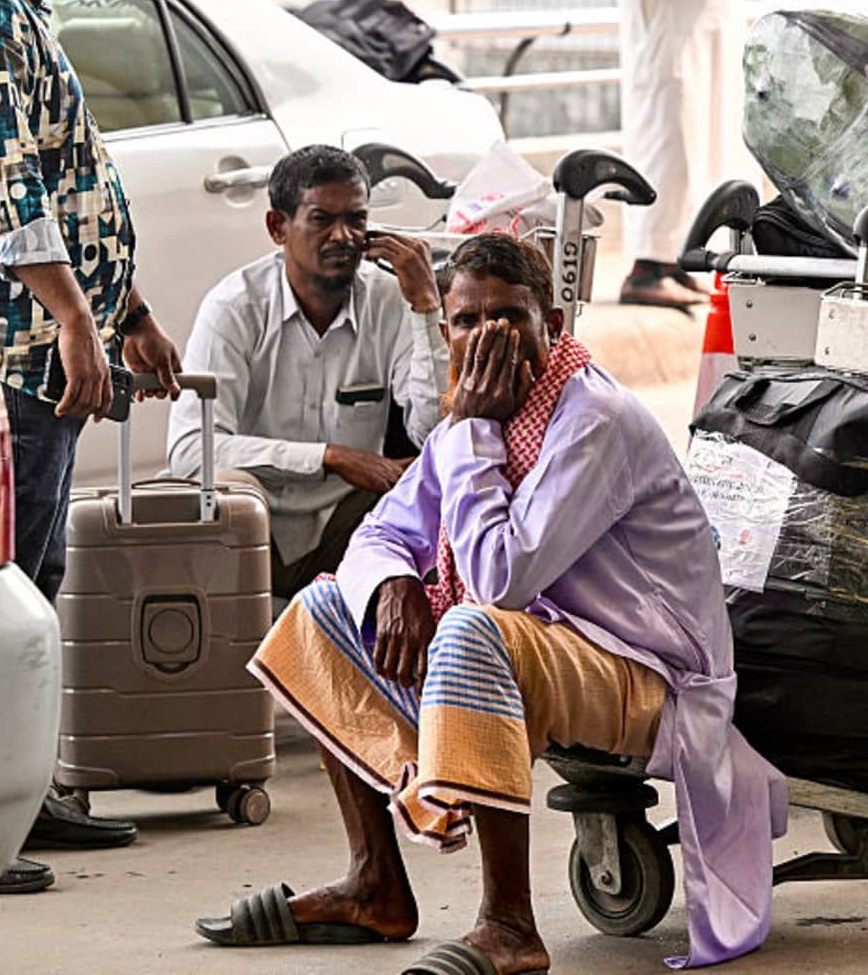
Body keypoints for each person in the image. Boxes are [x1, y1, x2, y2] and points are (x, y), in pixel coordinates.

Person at [194, 233, 786, 970]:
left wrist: (474, 427)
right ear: (446, 332)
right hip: (556, 647)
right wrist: (393, 586)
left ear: (555, 324)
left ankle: (509, 924)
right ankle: (375, 883)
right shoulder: (470, 417)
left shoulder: (589, 418)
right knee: (322, 612)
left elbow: (504, 577)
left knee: (477, 628)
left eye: (507, 318)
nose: (486, 338)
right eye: (468, 323)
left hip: (650, 674)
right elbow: (380, 533)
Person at [0, 0, 183, 896]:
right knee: (4, 589)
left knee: (40, 572)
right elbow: (8, 188)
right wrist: (73, 319)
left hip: (50, 347)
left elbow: (71, 187)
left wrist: (127, 311)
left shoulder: (19, 10)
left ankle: (25, 795)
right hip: (20, 351)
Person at [166, 145, 450, 599]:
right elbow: (189, 453)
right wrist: (330, 457)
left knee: (441, 490)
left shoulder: (389, 300)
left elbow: (433, 432)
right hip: (250, 528)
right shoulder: (234, 308)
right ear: (278, 227)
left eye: (356, 220)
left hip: (354, 527)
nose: (342, 236)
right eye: (321, 220)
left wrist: (425, 306)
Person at [612, 0, 751, 309]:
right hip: (667, 42)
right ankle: (644, 269)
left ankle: (673, 262)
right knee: (665, 147)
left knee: (696, 151)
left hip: (705, 39)